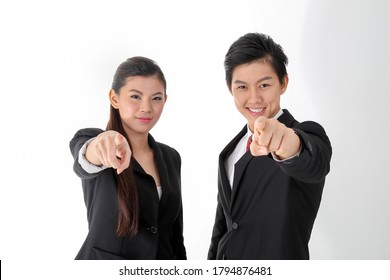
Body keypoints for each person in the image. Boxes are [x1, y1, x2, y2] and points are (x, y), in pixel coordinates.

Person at [207, 33, 332, 260]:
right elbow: (222, 229)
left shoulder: (308, 134)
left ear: (283, 83)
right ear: (230, 88)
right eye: (242, 87)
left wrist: (285, 143)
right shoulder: (229, 152)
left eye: (264, 85)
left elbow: (312, 161)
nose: (254, 98)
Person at [69, 56, 186, 260]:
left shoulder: (171, 157)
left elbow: (174, 236)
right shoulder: (94, 140)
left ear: (165, 101)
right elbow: (86, 158)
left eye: (156, 98)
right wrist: (102, 143)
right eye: (135, 97)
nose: (146, 108)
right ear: (114, 98)